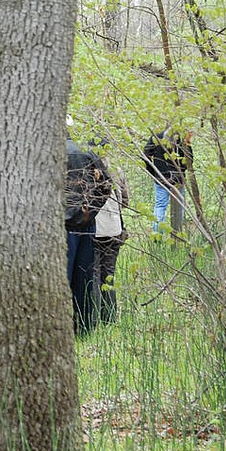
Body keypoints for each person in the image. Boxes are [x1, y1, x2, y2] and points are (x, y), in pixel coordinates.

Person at [65, 135, 112, 334]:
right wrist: (89, 212)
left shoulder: (48, 153)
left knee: (63, 279)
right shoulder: (87, 151)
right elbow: (106, 185)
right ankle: (83, 327)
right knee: (84, 279)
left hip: (64, 227)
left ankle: (63, 329)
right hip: (85, 224)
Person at [89, 137, 129, 324]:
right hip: (114, 228)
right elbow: (125, 202)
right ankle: (110, 318)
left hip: (96, 229)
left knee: (95, 273)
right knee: (109, 274)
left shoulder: (88, 172)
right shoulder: (116, 170)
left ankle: (95, 318)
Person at [142, 127, 193, 232]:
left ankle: (157, 235)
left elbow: (145, 156)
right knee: (178, 206)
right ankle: (178, 234)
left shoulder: (156, 137)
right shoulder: (182, 139)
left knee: (160, 206)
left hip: (162, 179)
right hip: (177, 179)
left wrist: (154, 172)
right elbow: (190, 160)